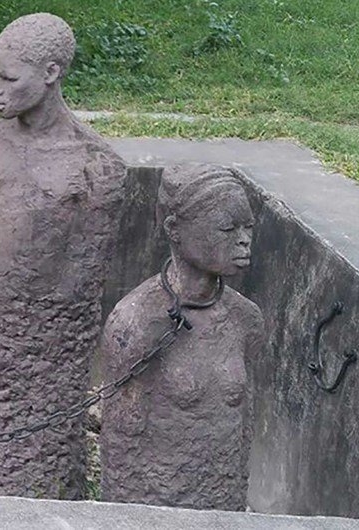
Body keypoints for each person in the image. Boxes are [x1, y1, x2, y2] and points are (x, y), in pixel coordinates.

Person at [0, 13, 127, 498]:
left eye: (8, 78)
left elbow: (87, 276)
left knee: (34, 435)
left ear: (50, 73)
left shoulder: (96, 165)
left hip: (46, 333)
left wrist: (46, 339)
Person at [99, 165, 263, 510]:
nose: (244, 238)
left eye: (248, 226)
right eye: (227, 228)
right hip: (157, 505)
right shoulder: (134, 322)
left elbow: (245, 427)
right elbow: (121, 446)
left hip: (221, 503)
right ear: (175, 230)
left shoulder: (246, 320)